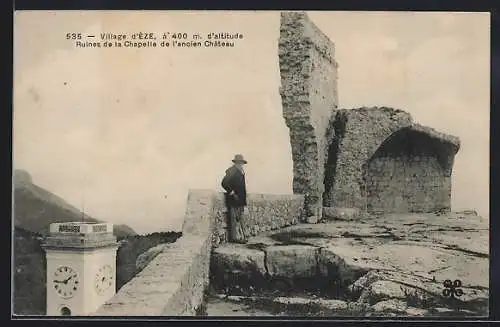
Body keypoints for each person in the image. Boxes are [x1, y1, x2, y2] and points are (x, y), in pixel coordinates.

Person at [221, 154, 248, 243]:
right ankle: (235, 238)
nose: (240, 164)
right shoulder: (232, 171)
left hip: (240, 200)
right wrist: (232, 193)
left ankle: (241, 237)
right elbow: (224, 183)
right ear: (235, 163)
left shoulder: (241, 171)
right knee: (234, 219)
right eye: (239, 162)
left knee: (239, 219)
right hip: (234, 199)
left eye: (241, 163)